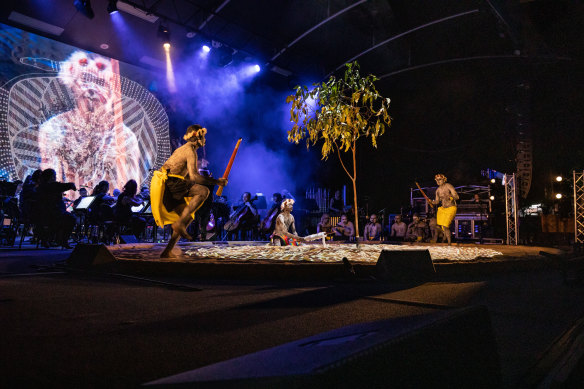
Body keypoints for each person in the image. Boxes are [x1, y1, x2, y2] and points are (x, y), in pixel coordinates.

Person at [159, 125, 227, 257]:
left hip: (171, 185)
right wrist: (217, 182)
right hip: (172, 184)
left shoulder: (183, 150)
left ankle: (167, 251)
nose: (205, 140)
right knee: (203, 191)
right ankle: (179, 224)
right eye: (203, 137)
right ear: (197, 137)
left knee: (188, 217)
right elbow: (194, 176)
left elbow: (181, 172)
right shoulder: (190, 151)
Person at [35, 168, 77, 248]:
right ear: (51, 177)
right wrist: (72, 185)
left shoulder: (39, 187)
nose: (55, 177)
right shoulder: (52, 185)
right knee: (71, 218)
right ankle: (63, 241)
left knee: (64, 218)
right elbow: (68, 185)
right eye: (54, 176)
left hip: (43, 214)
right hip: (52, 214)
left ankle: (50, 239)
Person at [432, 174, 459, 245]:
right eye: (436, 180)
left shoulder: (449, 186)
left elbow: (457, 197)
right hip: (443, 209)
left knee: (445, 225)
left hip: (451, 208)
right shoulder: (437, 190)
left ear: (444, 179)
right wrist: (432, 202)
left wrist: (451, 197)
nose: (438, 181)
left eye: (439, 179)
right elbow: (437, 201)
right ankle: (445, 236)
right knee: (438, 225)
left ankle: (449, 242)